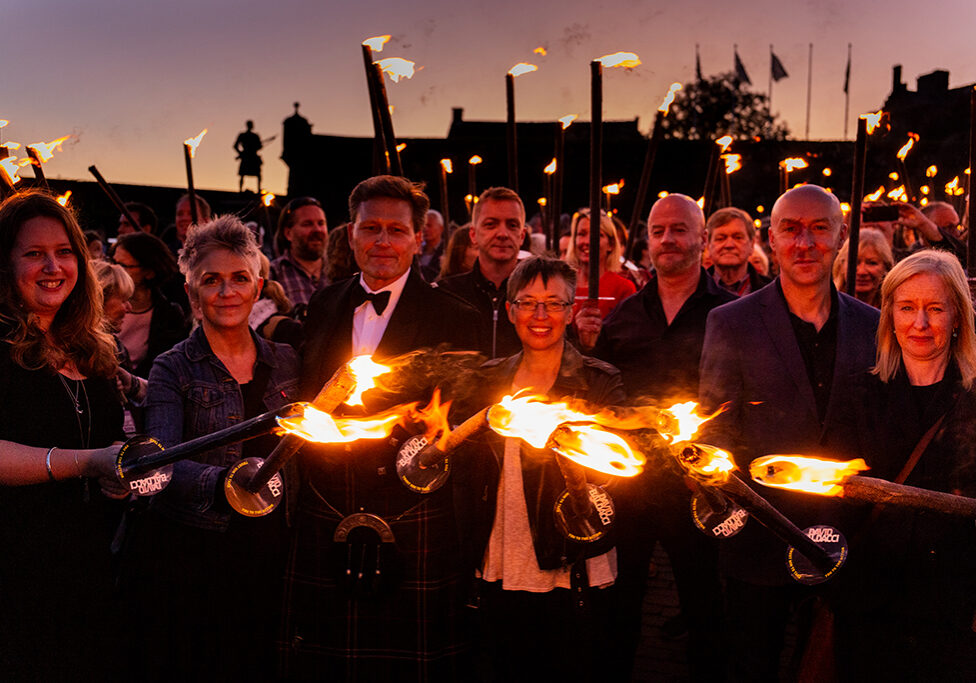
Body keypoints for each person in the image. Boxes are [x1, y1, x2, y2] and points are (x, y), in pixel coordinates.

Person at [283, 175, 481, 680]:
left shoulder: (455, 316)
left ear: (420, 238)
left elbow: (460, 417)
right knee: (327, 656)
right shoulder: (325, 303)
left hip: (411, 503)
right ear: (350, 235)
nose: (383, 242)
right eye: (371, 228)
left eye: (397, 230)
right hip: (327, 498)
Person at [699, 185, 880, 681]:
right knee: (752, 664)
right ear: (771, 240)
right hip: (761, 539)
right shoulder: (731, 322)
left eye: (819, 228)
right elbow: (714, 429)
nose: (805, 243)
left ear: (841, 236)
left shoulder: (874, 327)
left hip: (847, 539)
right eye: (791, 229)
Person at [134, 215, 301, 681]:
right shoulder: (172, 367)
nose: (227, 292)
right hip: (200, 551)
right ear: (191, 293)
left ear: (259, 286)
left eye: (239, 279)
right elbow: (157, 460)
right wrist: (226, 481)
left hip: (276, 548)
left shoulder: (288, 361)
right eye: (211, 280)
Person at [452, 257, 625, 681]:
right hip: (500, 558)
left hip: (571, 563)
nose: (540, 316)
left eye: (553, 303)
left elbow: (621, 471)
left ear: (570, 311)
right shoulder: (487, 380)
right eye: (528, 303)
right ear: (510, 311)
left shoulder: (599, 381)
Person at [592, 193, 735, 681]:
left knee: (704, 604)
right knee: (619, 601)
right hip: (632, 481)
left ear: (702, 239)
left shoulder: (733, 314)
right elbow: (600, 391)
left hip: (699, 483)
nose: (668, 239)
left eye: (679, 229)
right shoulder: (624, 317)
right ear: (647, 241)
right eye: (658, 231)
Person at [0, 190, 127, 680]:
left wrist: (123, 469)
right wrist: (87, 462)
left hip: (87, 574)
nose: (53, 266)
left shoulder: (92, 349)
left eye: (64, 251)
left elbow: (109, 445)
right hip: (14, 576)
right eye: (33, 254)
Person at [832, 249, 976, 680]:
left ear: (957, 318)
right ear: (889, 315)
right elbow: (833, 493)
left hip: (954, 605)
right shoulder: (858, 393)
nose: (920, 324)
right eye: (907, 308)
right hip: (869, 600)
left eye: (935, 309)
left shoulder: (973, 399)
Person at [437, 186, 526, 358]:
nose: (502, 234)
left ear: (522, 236)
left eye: (512, 225)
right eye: (490, 224)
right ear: (473, 235)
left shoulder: (539, 297)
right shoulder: (447, 294)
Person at [112, 231, 189, 377]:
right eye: (113, 262)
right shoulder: (98, 306)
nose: (115, 270)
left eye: (123, 265)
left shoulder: (169, 316)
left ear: (149, 272)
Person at [566, 209, 636, 325]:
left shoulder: (623, 289)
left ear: (611, 244)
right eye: (581, 234)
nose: (587, 241)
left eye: (597, 235)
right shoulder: (563, 284)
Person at [270, 196, 330, 307]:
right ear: (288, 233)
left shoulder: (340, 271)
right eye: (307, 224)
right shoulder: (273, 274)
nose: (317, 230)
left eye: (321, 223)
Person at [706, 207, 771, 297]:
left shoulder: (772, 292)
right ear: (708, 245)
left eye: (738, 237)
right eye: (720, 238)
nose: (729, 245)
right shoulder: (691, 291)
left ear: (752, 245)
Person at [832, 227, 894, 308]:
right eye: (855, 262)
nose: (862, 272)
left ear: (886, 268)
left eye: (872, 263)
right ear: (841, 266)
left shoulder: (894, 310)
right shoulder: (827, 307)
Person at [234, 119, 264, 193]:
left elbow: (259, 146)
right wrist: (241, 153)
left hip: (252, 156)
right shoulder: (243, 135)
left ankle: (258, 189)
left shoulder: (255, 136)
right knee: (243, 174)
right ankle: (241, 190)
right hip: (247, 157)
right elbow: (235, 146)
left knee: (258, 174)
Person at [419, 209, 446, 281]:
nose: (425, 229)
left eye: (429, 225)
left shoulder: (447, 250)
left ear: (441, 228)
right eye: (423, 225)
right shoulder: (417, 250)